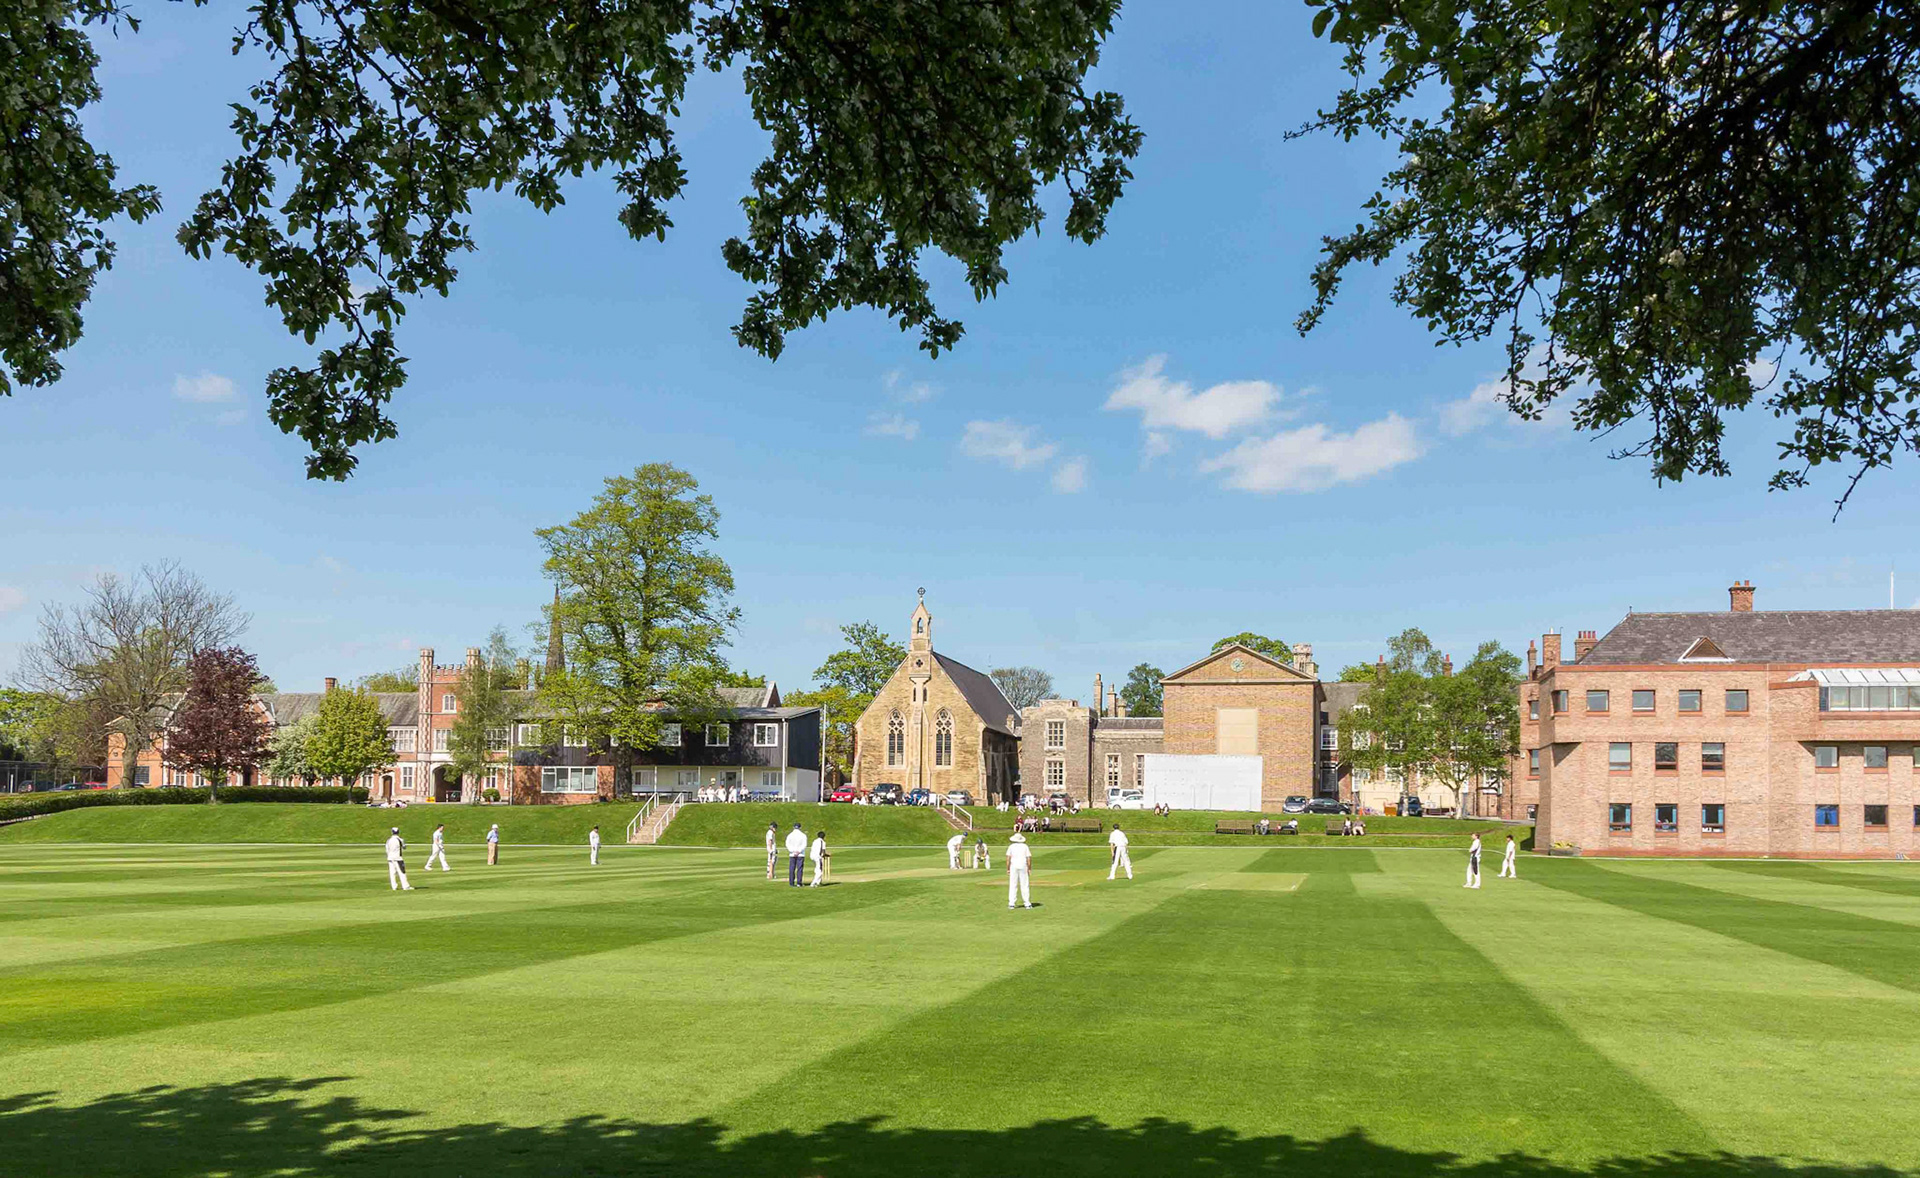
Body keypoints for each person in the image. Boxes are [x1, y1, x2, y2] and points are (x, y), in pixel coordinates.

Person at [1006, 831, 1033, 909]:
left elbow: (1008, 858)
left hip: (1014, 866)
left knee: (1013, 884)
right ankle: (1027, 903)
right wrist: (1029, 868)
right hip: (1023, 865)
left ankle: (1011, 903)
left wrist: (1008, 868)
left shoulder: (1011, 846)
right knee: (1024, 884)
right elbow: (1028, 858)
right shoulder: (1025, 846)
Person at [785, 822, 808, 886]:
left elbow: (787, 844)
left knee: (792, 868)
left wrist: (793, 851)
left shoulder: (790, 835)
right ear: (800, 827)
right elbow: (804, 844)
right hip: (800, 854)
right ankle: (799, 882)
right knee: (799, 868)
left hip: (792, 854)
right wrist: (799, 851)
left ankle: (791, 882)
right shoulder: (803, 835)